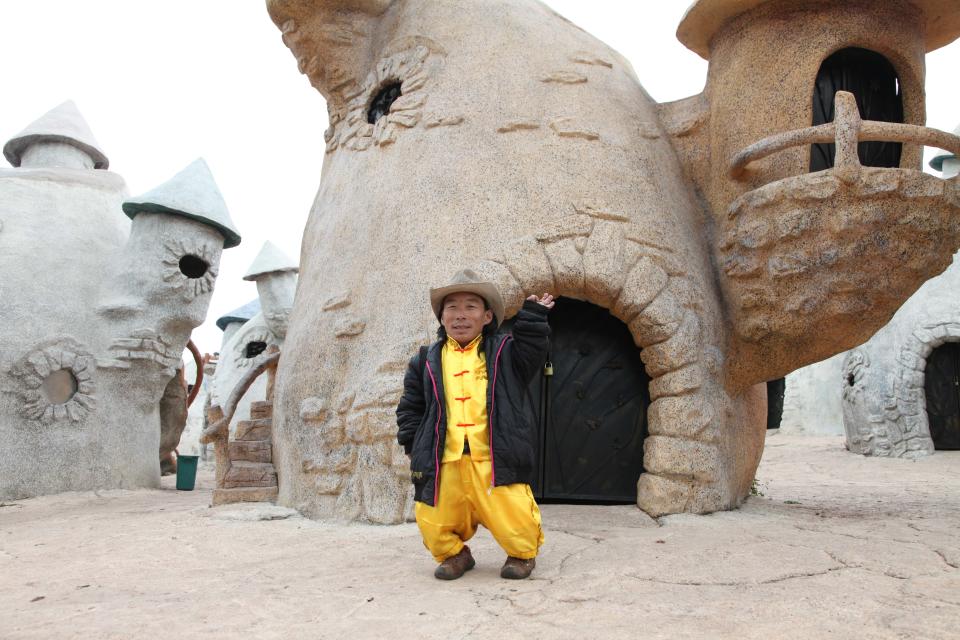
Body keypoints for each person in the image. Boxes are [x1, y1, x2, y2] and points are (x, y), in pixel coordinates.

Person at [396, 269, 554, 580]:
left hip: (494, 458)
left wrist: (533, 320)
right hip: (445, 460)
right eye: (451, 307)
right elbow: (410, 407)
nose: (460, 315)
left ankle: (521, 556)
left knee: (516, 518)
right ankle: (456, 555)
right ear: (442, 317)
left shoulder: (507, 352)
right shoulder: (425, 359)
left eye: (471, 306)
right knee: (432, 520)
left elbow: (532, 351)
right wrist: (415, 445)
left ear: (487, 316)